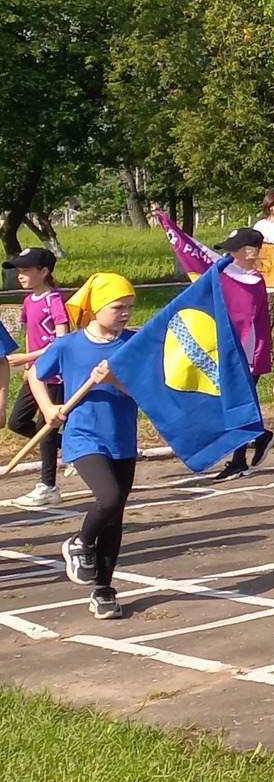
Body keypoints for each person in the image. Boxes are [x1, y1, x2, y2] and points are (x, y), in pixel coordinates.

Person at [31, 273, 140, 622]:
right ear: (96, 307)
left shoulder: (134, 344)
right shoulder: (69, 345)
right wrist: (48, 408)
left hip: (122, 437)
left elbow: (145, 390)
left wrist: (115, 379)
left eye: (130, 306)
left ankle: (103, 589)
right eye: (118, 307)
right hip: (84, 436)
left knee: (115, 514)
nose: (126, 313)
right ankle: (79, 542)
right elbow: (35, 374)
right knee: (109, 497)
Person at [7, 246, 69, 508]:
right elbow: (30, 334)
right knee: (17, 422)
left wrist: (28, 357)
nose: (20, 276)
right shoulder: (28, 301)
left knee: (47, 426)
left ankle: (48, 486)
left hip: (54, 374)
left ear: (43, 272)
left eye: (25, 271)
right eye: (18, 271)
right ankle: (73, 448)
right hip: (35, 373)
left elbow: (62, 340)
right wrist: (28, 365)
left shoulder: (54, 299)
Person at [214, 228, 274, 477]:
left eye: (233, 250)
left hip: (247, 352)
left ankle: (240, 457)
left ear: (250, 252)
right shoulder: (230, 275)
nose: (227, 254)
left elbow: (243, 317)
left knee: (239, 404)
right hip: (234, 350)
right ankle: (259, 438)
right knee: (237, 404)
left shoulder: (251, 280)